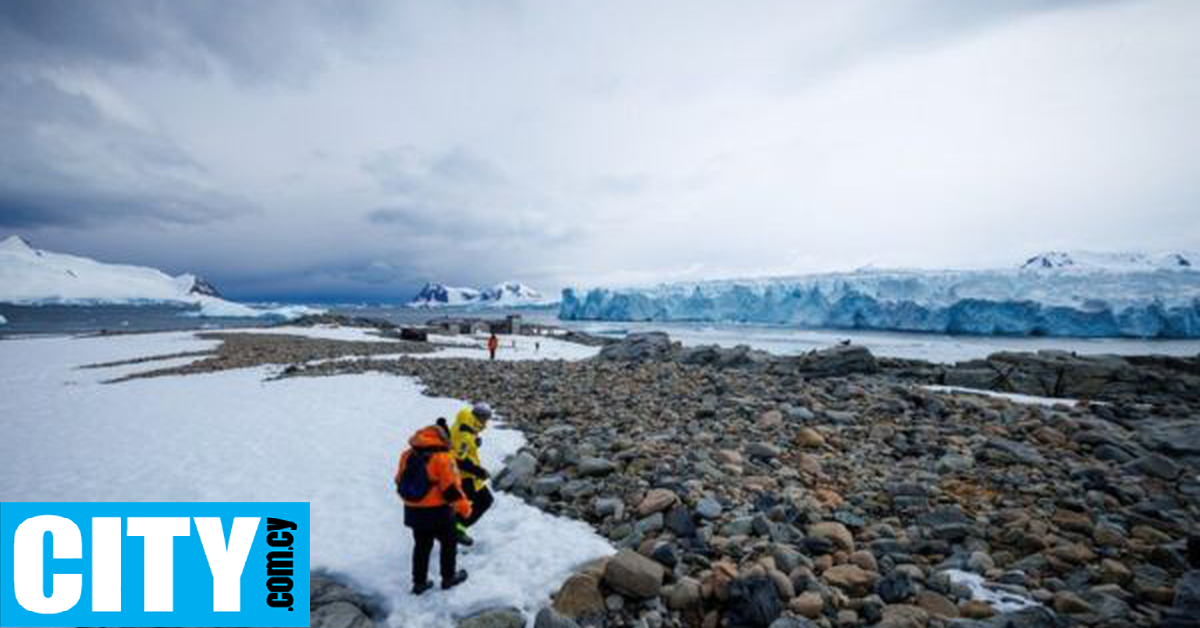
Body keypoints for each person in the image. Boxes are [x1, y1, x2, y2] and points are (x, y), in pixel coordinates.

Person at [395, 418, 471, 594]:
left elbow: (399, 480)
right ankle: (448, 578)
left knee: (421, 546)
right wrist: (464, 508)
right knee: (448, 543)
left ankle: (419, 583)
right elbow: (451, 489)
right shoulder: (443, 458)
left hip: (413, 510)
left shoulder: (407, 454)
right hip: (438, 511)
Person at [450, 402, 495, 546]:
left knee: (469, 503)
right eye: (486, 419)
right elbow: (458, 459)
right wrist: (479, 471)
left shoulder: (465, 422)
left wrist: (475, 441)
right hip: (464, 476)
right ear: (480, 418)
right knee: (484, 501)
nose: (486, 423)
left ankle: (453, 528)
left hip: (460, 474)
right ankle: (455, 530)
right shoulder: (466, 433)